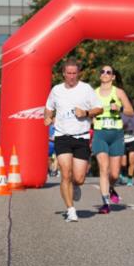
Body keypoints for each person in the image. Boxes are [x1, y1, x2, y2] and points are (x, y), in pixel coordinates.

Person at [44, 58, 102, 222]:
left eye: (74, 73)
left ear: (78, 74)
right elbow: (48, 109)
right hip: (62, 136)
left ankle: (76, 186)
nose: (71, 76)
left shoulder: (86, 89)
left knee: (79, 178)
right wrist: (47, 118)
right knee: (65, 174)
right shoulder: (56, 90)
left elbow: (99, 108)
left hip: (82, 136)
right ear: (63, 73)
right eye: (68, 73)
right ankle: (70, 210)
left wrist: (86, 113)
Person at [91, 65, 134, 214]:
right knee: (104, 168)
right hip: (100, 133)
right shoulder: (93, 93)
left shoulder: (119, 92)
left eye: (108, 72)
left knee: (115, 174)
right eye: (102, 71)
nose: (104, 74)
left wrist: (120, 108)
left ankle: (111, 187)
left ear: (113, 77)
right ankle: (105, 203)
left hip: (116, 134)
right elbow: (87, 111)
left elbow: (131, 112)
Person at [121, 109, 134, 186]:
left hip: (133, 138)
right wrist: (123, 126)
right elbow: (117, 127)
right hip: (122, 139)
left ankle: (130, 179)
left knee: (132, 161)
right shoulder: (120, 115)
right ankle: (122, 174)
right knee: (123, 163)